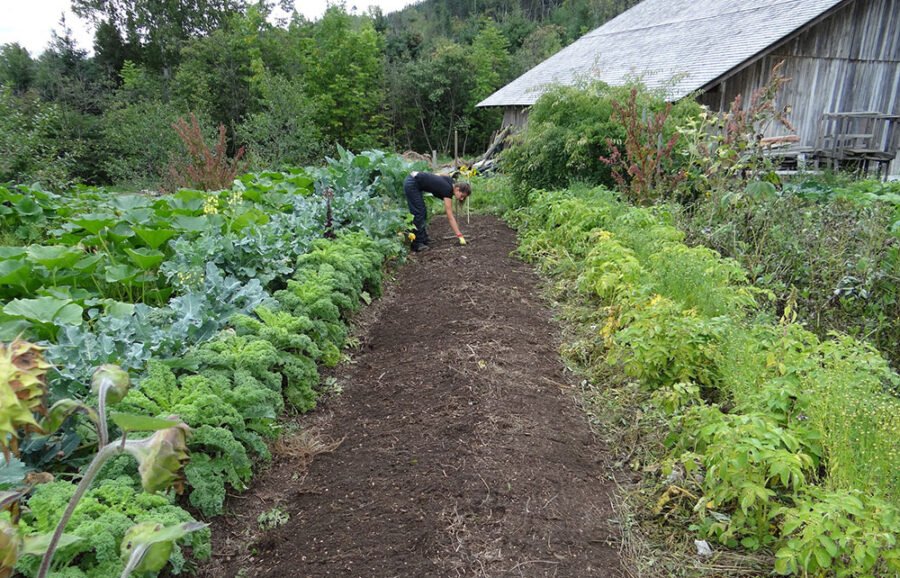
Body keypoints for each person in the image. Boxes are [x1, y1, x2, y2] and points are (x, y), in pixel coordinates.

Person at [403, 171, 471, 252]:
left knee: (422, 212)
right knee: (418, 213)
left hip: (414, 179)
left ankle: (423, 238)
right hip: (412, 183)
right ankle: (417, 244)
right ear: (457, 189)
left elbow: (442, 174)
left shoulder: (451, 182)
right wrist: (459, 235)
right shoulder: (447, 190)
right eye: (462, 196)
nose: (462, 199)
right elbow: (450, 216)